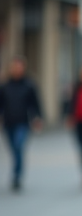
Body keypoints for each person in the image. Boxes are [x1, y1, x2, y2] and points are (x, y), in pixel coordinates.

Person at [0, 55, 42, 191]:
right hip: (8, 123)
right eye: (15, 67)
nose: (17, 70)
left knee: (18, 146)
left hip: (23, 123)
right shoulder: (5, 86)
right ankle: (17, 170)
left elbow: (35, 104)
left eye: (19, 67)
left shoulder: (29, 85)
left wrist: (37, 118)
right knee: (13, 150)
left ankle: (17, 176)